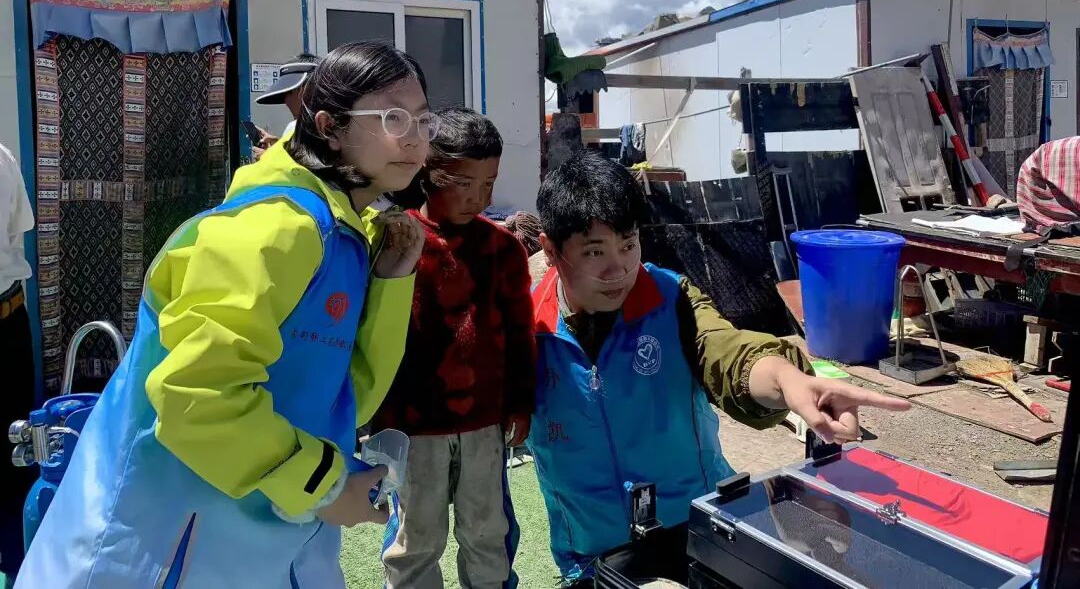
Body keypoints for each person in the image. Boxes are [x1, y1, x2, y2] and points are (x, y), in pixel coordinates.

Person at [16, 40, 438, 588]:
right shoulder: (273, 226)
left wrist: (390, 282)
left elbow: (344, 397)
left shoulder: (346, 232)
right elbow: (196, 395)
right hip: (162, 548)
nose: (415, 138)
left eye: (423, 120)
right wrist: (325, 486)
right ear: (330, 127)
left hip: (265, 538)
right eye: (392, 118)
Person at [527, 153, 911, 584]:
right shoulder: (525, 326)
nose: (618, 269)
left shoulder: (671, 300)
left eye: (628, 244)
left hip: (695, 527)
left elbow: (726, 352)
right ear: (551, 250)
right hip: (590, 554)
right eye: (595, 251)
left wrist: (787, 379)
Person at [375, 107, 536, 589]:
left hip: (483, 422)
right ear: (427, 170)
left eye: (489, 183)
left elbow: (520, 335)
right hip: (414, 427)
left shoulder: (504, 250)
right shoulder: (394, 240)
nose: (478, 197)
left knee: (486, 531)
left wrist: (520, 403)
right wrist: (380, 418)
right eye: (464, 182)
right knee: (417, 537)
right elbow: (375, 334)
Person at [0, 143, 34, 585]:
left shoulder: (2, 159)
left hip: (8, 324)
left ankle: (18, 566)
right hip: (9, 316)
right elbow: (18, 227)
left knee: (15, 450)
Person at [252, 53, 319, 159]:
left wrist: (269, 159)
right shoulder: (294, 127)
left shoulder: (329, 129)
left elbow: (307, 167)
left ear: (304, 91)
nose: (286, 102)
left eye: (287, 93)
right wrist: (279, 145)